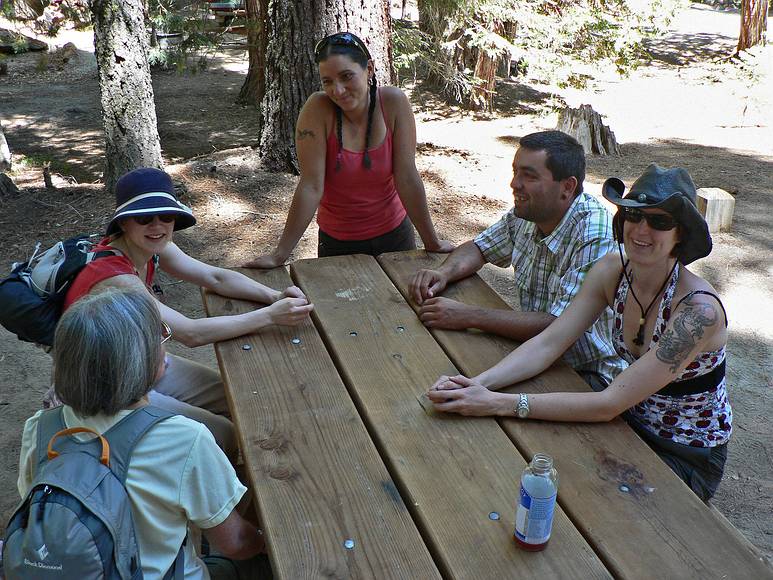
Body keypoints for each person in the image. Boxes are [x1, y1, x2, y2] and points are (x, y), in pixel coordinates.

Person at [427, 164, 731, 501]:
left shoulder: (698, 313)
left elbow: (608, 403)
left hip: (683, 450)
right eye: (634, 215)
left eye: (660, 221)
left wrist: (498, 403)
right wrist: (479, 383)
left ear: (681, 234)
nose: (642, 229)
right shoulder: (613, 270)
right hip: (629, 421)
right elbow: (550, 342)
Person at [60, 166, 314, 458]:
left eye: (166, 216)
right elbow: (189, 333)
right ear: (124, 223)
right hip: (115, 391)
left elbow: (215, 277)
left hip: (150, 364)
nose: (157, 225)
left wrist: (274, 296)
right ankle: (222, 497)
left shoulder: (151, 246)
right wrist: (270, 317)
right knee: (225, 435)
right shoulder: (113, 277)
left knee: (244, 399)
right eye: (144, 218)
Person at [18, 288, 265, 577]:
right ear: (140, 361)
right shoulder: (182, 437)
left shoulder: (40, 426)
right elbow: (235, 543)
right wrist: (264, 544)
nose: (164, 346)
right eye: (158, 337)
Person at [411, 130, 623, 389]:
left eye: (529, 176)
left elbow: (557, 326)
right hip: (533, 354)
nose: (515, 184)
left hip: (588, 374)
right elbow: (480, 248)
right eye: (515, 172)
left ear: (567, 187)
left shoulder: (595, 234)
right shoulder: (529, 213)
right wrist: (444, 273)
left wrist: (469, 316)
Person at [245, 31, 453, 265]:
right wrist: (280, 255)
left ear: (370, 70)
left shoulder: (393, 103)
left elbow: (406, 176)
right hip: (338, 244)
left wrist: (431, 242)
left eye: (346, 76)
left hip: (396, 237)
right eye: (328, 81)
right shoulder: (317, 110)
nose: (338, 90)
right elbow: (311, 185)